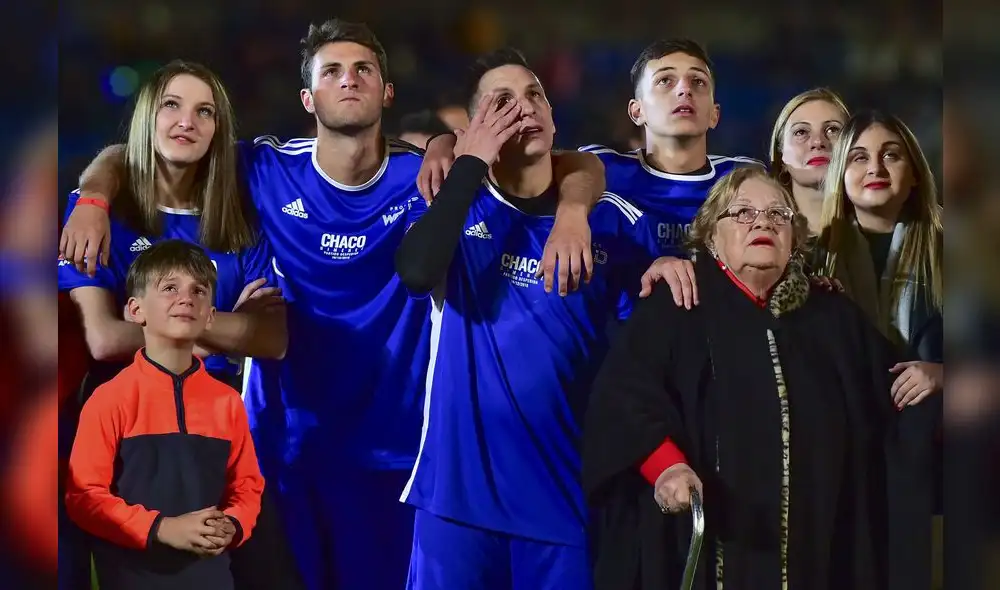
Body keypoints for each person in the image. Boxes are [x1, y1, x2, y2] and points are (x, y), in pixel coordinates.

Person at [58, 19, 604, 589]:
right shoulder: (264, 169)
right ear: (307, 96)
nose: (349, 81)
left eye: (364, 69)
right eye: (332, 72)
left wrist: (467, 154)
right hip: (282, 452)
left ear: (388, 92)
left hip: (399, 454)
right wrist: (93, 196)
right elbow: (147, 146)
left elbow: (578, 162)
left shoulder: (424, 176)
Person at [396, 47, 659, 590]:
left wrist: (577, 214)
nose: (525, 108)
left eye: (535, 94)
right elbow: (418, 272)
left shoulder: (613, 222)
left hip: (562, 504)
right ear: (476, 127)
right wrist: (468, 156)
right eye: (503, 101)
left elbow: (647, 359)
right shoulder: (446, 199)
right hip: (455, 503)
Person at [583, 166, 919, 590]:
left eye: (779, 215)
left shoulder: (834, 318)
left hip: (815, 558)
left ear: (795, 239)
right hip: (699, 551)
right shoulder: (678, 307)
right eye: (742, 213)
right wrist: (666, 467)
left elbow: (897, 394)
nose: (763, 222)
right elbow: (623, 400)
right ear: (711, 237)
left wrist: (940, 379)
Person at [56, 60, 291, 590]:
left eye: (204, 111)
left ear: (218, 129)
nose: (188, 121)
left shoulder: (238, 217)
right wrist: (226, 327)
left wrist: (181, 333)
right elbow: (105, 338)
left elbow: (273, 339)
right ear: (147, 116)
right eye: (172, 105)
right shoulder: (100, 210)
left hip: (224, 423)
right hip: (131, 433)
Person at [419, 39, 763, 312]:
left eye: (698, 82)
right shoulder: (604, 166)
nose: (684, 90)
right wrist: (444, 140)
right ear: (636, 110)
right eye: (665, 81)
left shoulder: (746, 180)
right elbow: (541, 159)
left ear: (716, 114)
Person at [65, 240, 265, 590]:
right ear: (135, 309)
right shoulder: (109, 399)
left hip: (213, 579)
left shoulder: (228, 402)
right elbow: (84, 497)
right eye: (170, 288)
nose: (186, 298)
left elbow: (247, 486)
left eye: (199, 290)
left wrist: (233, 525)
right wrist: (161, 528)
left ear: (210, 315)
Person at [818, 110, 943, 590]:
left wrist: (944, 373)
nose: (876, 168)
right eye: (859, 157)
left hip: (931, 468)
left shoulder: (956, 252)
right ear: (839, 176)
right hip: (843, 463)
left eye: (891, 155)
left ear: (914, 175)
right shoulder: (809, 258)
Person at [768, 88, 849, 237]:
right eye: (801, 132)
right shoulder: (763, 237)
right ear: (781, 156)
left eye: (832, 130)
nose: (818, 142)